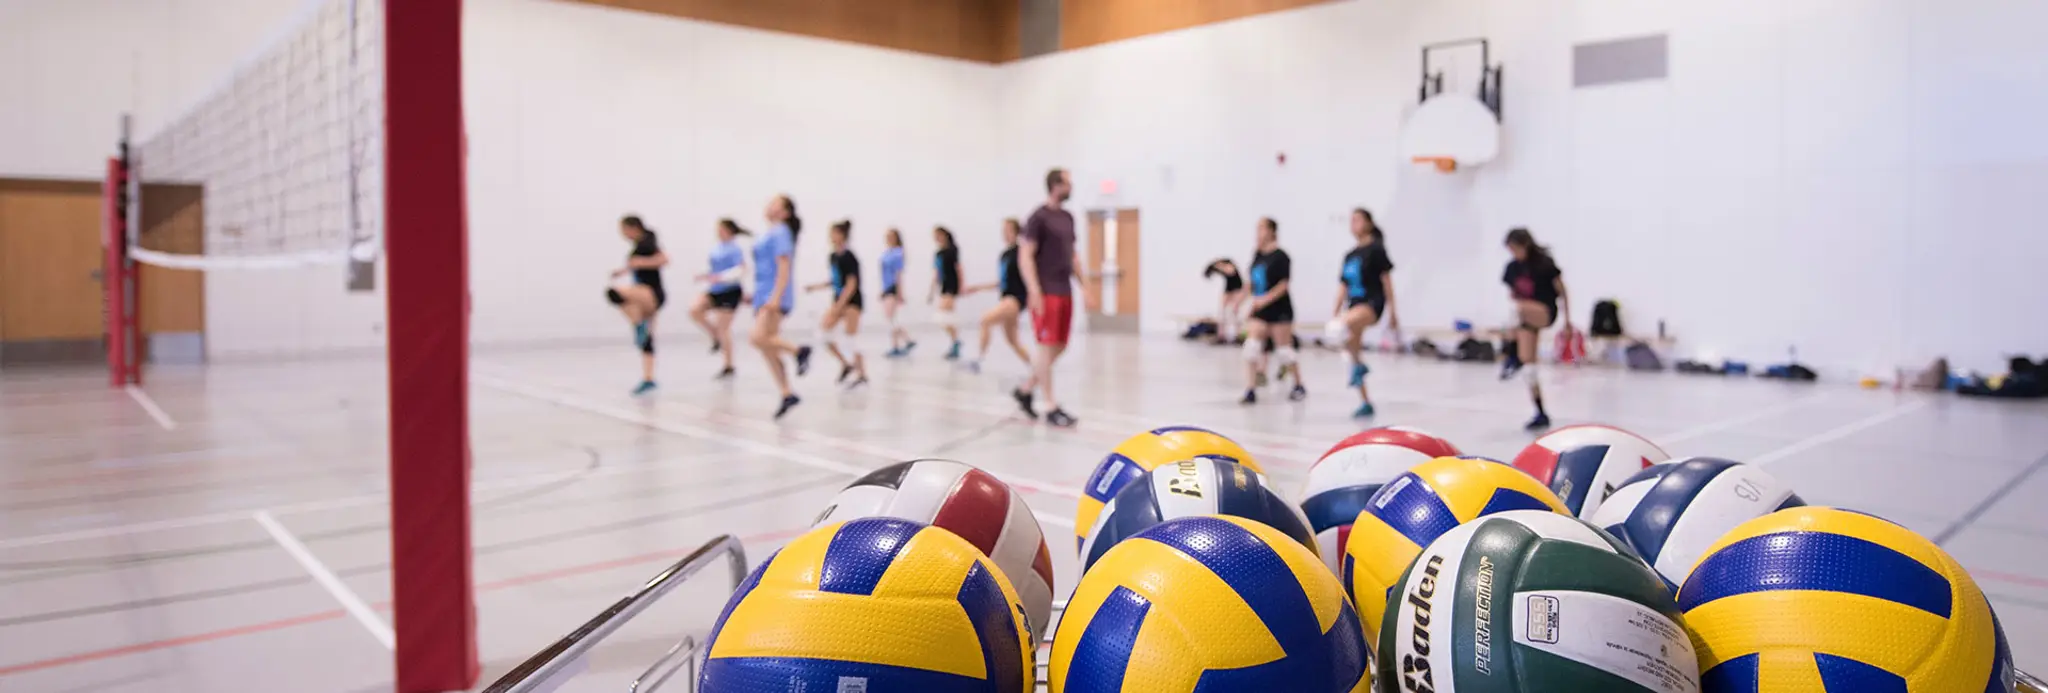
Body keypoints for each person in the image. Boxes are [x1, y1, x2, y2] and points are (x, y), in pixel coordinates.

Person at [1016, 168, 1089, 427]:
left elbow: (1073, 255)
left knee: (1059, 346)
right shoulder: (1039, 217)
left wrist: (1085, 285)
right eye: (1069, 183)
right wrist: (1034, 290)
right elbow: (1025, 255)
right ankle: (1050, 405)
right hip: (1045, 291)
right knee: (1046, 347)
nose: (1072, 187)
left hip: (1064, 289)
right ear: (1056, 185)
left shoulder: (1068, 217)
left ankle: (1026, 390)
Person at [748, 195, 813, 419]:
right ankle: (787, 392)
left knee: (757, 338)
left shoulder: (781, 232)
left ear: (785, 212)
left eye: (775, 203)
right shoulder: (771, 232)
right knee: (768, 347)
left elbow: (784, 266)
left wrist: (775, 297)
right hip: (763, 293)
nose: (769, 205)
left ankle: (799, 350)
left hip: (774, 295)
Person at [1501, 227, 1571, 430]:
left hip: (1545, 311)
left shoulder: (1543, 265)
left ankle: (1509, 353)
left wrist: (1567, 322)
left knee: (1517, 309)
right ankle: (1540, 411)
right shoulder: (1512, 268)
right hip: (1525, 317)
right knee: (1529, 366)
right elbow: (1513, 293)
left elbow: (1563, 292)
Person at [1334, 208, 1397, 418]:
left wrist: (1393, 312)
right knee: (1351, 349)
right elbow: (1343, 286)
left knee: (1339, 328)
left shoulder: (1376, 250)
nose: (1353, 224)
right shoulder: (1349, 256)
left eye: (1357, 220)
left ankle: (1359, 366)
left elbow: (1387, 282)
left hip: (1372, 304)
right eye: (1351, 220)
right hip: (1354, 305)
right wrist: (1335, 310)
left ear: (1369, 223)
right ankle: (1365, 400)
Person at [1243, 217, 1304, 405]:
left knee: (1284, 351)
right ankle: (1250, 389)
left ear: (1271, 231)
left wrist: (1264, 300)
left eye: (1261, 228)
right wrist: (1242, 300)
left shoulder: (1281, 257)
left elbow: (1283, 285)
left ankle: (1299, 384)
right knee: (1251, 347)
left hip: (1279, 309)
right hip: (1260, 311)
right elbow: (1252, 282)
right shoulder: (1258, 255)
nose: (1258, 233)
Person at [607, 215, 668, 395]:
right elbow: (637, 266)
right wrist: (623, 270)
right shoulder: (639, 245)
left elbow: (663, 259)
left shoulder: (647, 242)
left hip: (651, 293)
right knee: (647, 339)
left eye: (624, 230)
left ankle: (638, 325)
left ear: (633, 228)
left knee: (615, 293)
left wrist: (640, 262)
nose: (623, 234)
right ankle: (648, 378)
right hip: (642, 295)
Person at [805, 220, 869, 389]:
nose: (831, 237)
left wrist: (840, 305)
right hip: (838, 300)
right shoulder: (833, 256)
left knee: (851, 339)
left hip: (851, 302)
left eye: (834, 233)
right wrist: (816, 287)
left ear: (842, 235)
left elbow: (851, 283)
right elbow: (835, 280)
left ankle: (862, 374)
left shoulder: (849, 256)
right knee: (823, 334)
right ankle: (846, 364)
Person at [964, 218, 1032, 374]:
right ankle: (1035, 367)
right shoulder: (1005, 255)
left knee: (985, 319)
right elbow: (1001, 281)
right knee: (1013, 341)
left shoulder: (1021, 252)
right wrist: (977, 288)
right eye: (1004, 230)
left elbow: (1030, 274)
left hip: (1015, 299)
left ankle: (977, 358)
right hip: (1006, 297)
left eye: (1008, 229)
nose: (1005, 233)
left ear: (1016, 232)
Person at [688, 219, 749, 379]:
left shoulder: (735, 249)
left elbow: (740, 270)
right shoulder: (717, 248)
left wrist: (721, 278)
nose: (718, 232)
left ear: (728, 231)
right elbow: (715, 269)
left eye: (721, 229)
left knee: (724, 329)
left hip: (730, 291)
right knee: (695, 310)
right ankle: (714, 335)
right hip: (714, 290)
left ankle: (728, 366)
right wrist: (706, 275)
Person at [878, 228, 915, 357]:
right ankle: (898, 344)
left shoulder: (898, 253)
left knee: (891, 318)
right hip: (887, 287)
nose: (888, 239)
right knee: (891, 318)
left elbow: (898, 274)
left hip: (893, 287)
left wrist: (900, 292)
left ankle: (906, 341)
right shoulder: (887, 252)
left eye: (891, 236)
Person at [929, 226, 964, 359]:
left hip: (951, 284)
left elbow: (958, 268)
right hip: (943, 286)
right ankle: (956, 341)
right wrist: (931, 291)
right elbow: (936, 273)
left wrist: (961, 285)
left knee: (944, 314)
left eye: (938, 235)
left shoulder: (952, 250)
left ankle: (956, 342)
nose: (936, 238)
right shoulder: (938, 253)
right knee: (944, 317)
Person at [1204, 258, 1247, 343]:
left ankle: (1239, 336)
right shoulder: (1222, 268)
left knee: (1235, 312)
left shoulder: (1228, 266)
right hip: (1228, 290)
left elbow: (1231, 272)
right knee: (1222, 313)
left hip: (1237, 290)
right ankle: (1221, 336)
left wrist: (1220, 267)